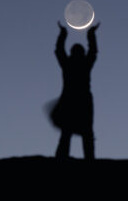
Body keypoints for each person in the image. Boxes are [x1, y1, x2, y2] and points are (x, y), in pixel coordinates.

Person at [50, 21, 100, 160]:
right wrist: (91, 34)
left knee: (73, 132)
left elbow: (59, 51)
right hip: (78, 100)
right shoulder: (81, 64)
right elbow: (93, 51)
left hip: (76, 100)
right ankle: (87, 158)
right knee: (80, 132)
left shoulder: (70, 64)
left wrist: (63, 34)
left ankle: (67, 157)